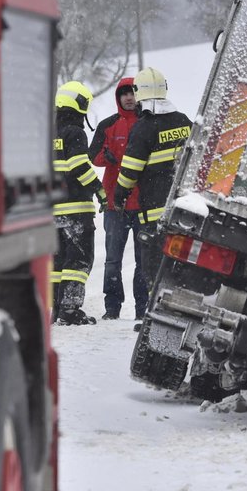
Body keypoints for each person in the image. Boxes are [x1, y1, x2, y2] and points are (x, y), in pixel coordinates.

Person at [112, 67, 193, 306]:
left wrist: (119, 195)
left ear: (139, 93)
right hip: (185, 208)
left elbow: (129, 171)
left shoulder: (144, 127)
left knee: (154, 265)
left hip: (155, 212)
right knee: (183, 264)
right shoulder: (184, 121)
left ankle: (155, 311)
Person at [89, 77, 148, 321]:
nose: (129, 97)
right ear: (118, 97)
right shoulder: (107, 125)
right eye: (124, 93)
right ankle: (112, 308)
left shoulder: (148, 123)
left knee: (142, 261)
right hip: (115, 204)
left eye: (133, 92)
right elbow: (92, 156)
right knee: (113, 260)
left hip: (144, 204)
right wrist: (106, 155)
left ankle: (141, 310)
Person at [52, 80, 107, 325]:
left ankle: (55, 309)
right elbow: (79, 167)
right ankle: (71, 311)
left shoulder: (48, 132)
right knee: (78, 262)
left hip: (52, 212)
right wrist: (99, 190)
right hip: (76, 209)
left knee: (57, 262)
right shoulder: (75, 132)